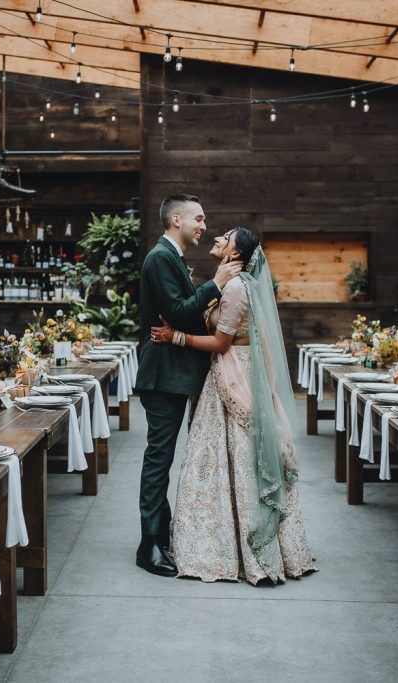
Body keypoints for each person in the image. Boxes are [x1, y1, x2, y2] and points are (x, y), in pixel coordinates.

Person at [151, 227, 316, 584]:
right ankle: (220, 538)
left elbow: (222, 342)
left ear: (237, 253)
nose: (215, 237)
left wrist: (175, 336)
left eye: (224, 238)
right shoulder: (231, 283)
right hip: (228, 373)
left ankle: (234, 547)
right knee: (220, 459)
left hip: (233, 373)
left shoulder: (239, 287)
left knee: (234, 458)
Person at [134, 194, 244, 577]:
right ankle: (149, 544)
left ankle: (159, 533)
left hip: (176, 371)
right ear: (176, 219)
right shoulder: (160, 258)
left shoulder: (171, 258)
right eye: (198, 219)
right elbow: (180, 312)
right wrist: (216, 283)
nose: (203, 226)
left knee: (161, 457)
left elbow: (184, 313)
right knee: (158, 458)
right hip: (164, 373)